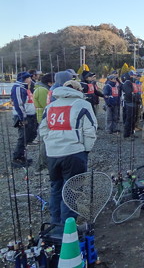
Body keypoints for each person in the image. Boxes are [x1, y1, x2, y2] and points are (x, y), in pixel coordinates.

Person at [39, 80, 97, 224]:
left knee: (56, 188)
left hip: (52, 154)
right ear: (78, 90)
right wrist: (85, 149)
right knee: (72, 191)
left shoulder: (51, 106)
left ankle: (55, 222)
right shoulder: (83, 104)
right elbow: (90, 130)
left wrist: (51, 144)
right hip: (74, 153)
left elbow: (43, 130)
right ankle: (68, 226)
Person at [11, 72, 38, 167]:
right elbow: (19, 104)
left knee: (28, 136)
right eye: (29, 78)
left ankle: (22, 156)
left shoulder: (25, 88)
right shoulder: (18, 88)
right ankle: (17, 158)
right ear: (25, 79)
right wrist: (23, 118)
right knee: (23, 137)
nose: (31, 80)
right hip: (23, 116)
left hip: (29, 115)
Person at [33, 72, 55, 170]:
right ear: (50, 83)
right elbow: (46, 105)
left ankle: (43, 163)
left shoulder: (42, 88)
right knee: (44, 141)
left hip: (43, 116)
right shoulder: (42, 90)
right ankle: (42, 164)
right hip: (43, 116)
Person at [121, 71, 140, 139]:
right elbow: (129, 94)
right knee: (129, 119)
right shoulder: (127, 83)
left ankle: (132, 132)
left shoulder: (133, 83)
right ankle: (127, 135)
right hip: (129, 103)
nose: (136, 77)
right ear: (131, 76)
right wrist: (136, 97)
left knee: (133, 119)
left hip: (134, 103)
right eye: (134, 75)